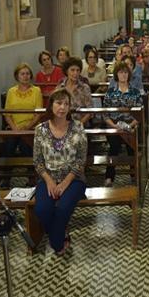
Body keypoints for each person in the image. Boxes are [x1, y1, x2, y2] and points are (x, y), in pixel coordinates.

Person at [33, 88, 87, 255]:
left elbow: (81, 160)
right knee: (42, 209)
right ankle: (60, 234)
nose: (62, 107)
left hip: (74, 179)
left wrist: (65, 183)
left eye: (66, 104)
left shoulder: (78, 127)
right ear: (51, 105)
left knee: (62, 208)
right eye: (58, 103)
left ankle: (56, 241)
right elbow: (37, 161)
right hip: (47, 177)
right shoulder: (40, 129)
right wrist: (49, 181)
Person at [103, 62, 142, 185]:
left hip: (130, 125)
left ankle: (133, 176)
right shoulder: (110, 92)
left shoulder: (135, 92)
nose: (123, 75)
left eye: (125, 72)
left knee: (131, 148)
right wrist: (114, 126)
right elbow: (105, 114)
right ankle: (109, 177)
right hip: (113, 126)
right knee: (113, 148)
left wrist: (129, 126)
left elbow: (139, 113)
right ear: (116, 75)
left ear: (129, 75)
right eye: (121, 72)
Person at [4, 63, 44, 158]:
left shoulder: (36, 90)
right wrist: (14, 128)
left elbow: (38, 114)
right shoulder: (11, 91)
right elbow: (7, 114)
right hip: (14, 127)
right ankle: (5, 170)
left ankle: (29, 170)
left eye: (27, 73)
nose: (25, 76)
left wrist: (27, 127)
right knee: (8, 148)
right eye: (22, 74)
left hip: (31, 127)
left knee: (25, 147)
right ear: (17, 76)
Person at [56, 57, 93, 124]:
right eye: (72, 70)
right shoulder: (60, 88)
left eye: (77, 70)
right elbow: (56, 109)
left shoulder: (84, 88)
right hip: (63, 124)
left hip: (80, 125)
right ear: (67, 71)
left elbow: (90, 111)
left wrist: (79, 125)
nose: (75, 73)